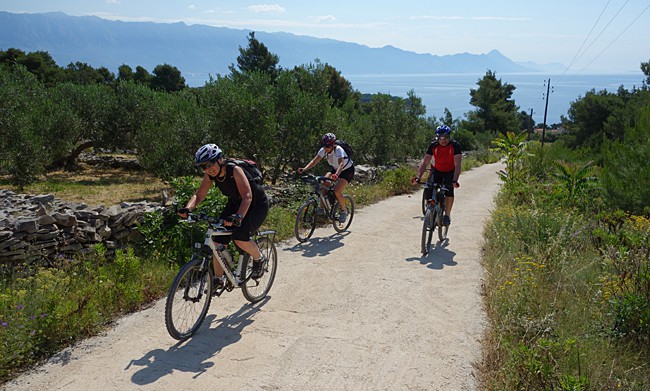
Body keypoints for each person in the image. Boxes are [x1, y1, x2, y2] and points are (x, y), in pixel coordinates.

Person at [178, 143, 269, 282]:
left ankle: (259, 259)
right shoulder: (210, 175)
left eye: (209, 164)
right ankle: (218, 279)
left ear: (220, 159)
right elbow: (199, 195)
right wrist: (188, 208)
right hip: (235, 203)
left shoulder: (235, 170)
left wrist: (238, 217)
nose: (208, 169)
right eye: (203, 166)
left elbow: (247, 196)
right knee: (217, 242)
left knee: (239, 236)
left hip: (256, 204)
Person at [297, 133, 354, 223]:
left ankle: (343, 211)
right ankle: (322, 208)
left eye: (328, 146)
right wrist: (304, 169)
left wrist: (337, 175)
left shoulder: (338, 149)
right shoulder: (323, 150)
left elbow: (341, 164)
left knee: (337, 191)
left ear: (333, 145)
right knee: (323, 186)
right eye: (324, 146)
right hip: (335, 169)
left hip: (347, 171)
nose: (326, 148)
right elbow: (314, 161)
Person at [414, 125, 462, 225]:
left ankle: (447, 215)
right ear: (438, 137)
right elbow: (425, 162)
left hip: (450, 171)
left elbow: (457, 165)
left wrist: (455, 180)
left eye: (446, 138)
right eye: (441, 138)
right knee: (428, 188)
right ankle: (430, 212)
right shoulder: (433, 145)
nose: (443, 140)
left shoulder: (455, 145)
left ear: (449, 137)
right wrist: (418, 177)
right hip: (437, 171)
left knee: (449, 192)